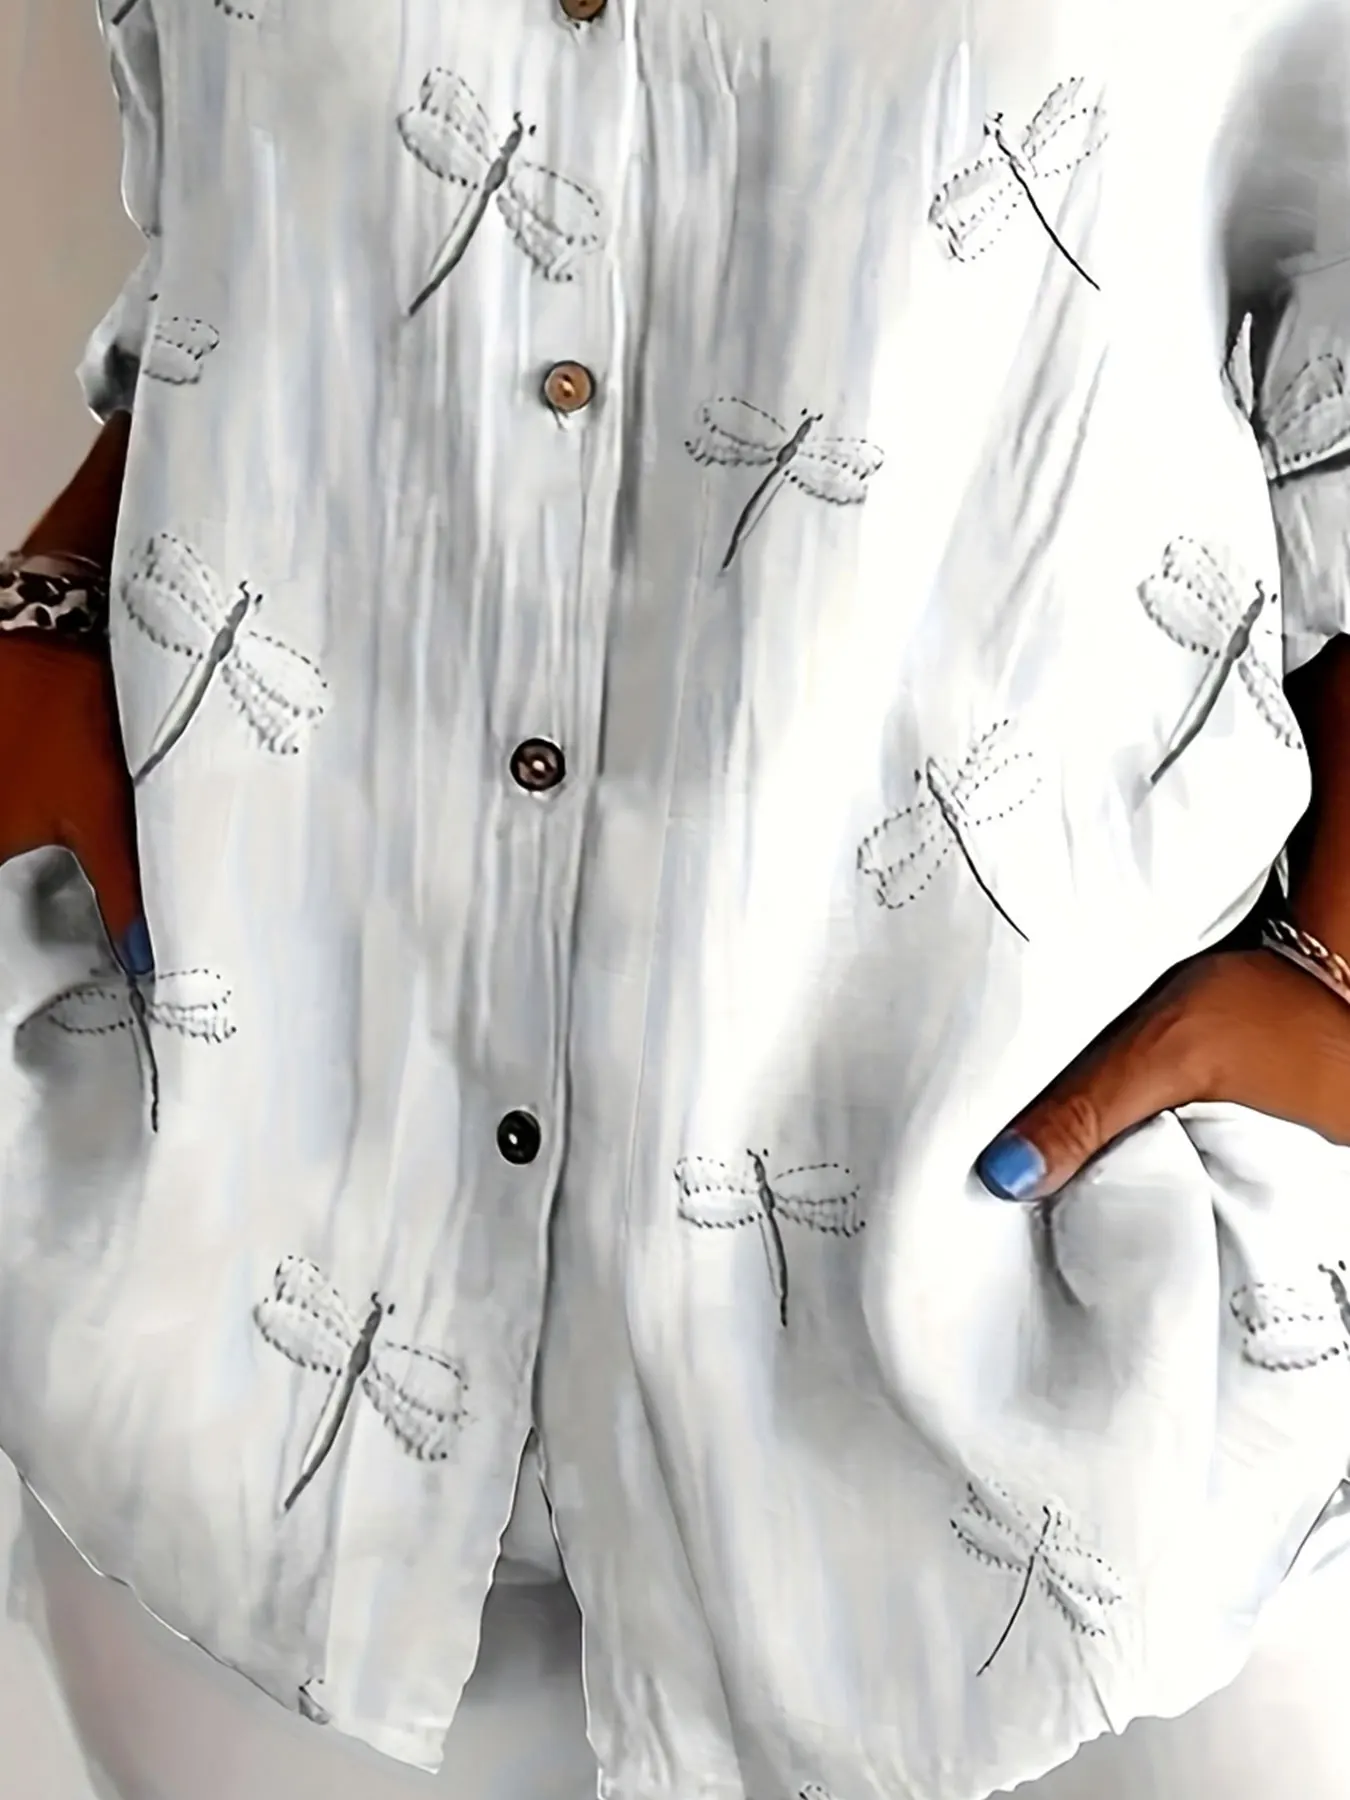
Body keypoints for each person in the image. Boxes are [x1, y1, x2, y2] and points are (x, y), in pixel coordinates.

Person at [3, 2, 1350, 1797]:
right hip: (237, 1295)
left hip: (1052, 1384)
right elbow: (247, 250)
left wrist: (1331, 970)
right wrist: (41, 609)